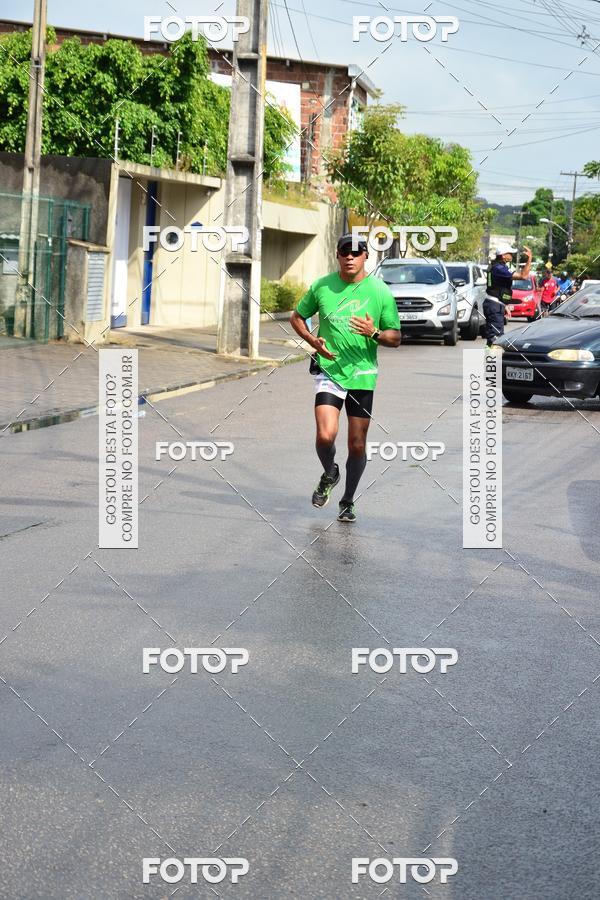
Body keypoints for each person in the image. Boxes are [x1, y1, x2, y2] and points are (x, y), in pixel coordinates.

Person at [290, 233, 401, 524]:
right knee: (325, 436)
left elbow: (396, 337)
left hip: (363, 375)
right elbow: (297, 317)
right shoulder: (322, 287)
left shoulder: (380, 292)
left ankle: (348, 500)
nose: (350, 257)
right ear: (337, 255)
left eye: (356, 252)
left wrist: (374, 333)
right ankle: (330, 473)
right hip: (330, 370)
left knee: (357, 444)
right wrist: (313, 341)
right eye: (344, 252)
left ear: (366, 256)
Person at [483, 242, 532, 348]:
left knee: (495, 338)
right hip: (494, 305)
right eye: (510, 253)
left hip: (495, 304)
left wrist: (504, 305)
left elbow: (497, 288)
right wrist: (529, 259)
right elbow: (523, 276)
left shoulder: (498, 267)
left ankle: (491, 363)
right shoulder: (499, 268)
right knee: (495, 338)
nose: (512, 255)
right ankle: (492, 363)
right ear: (503, 255)